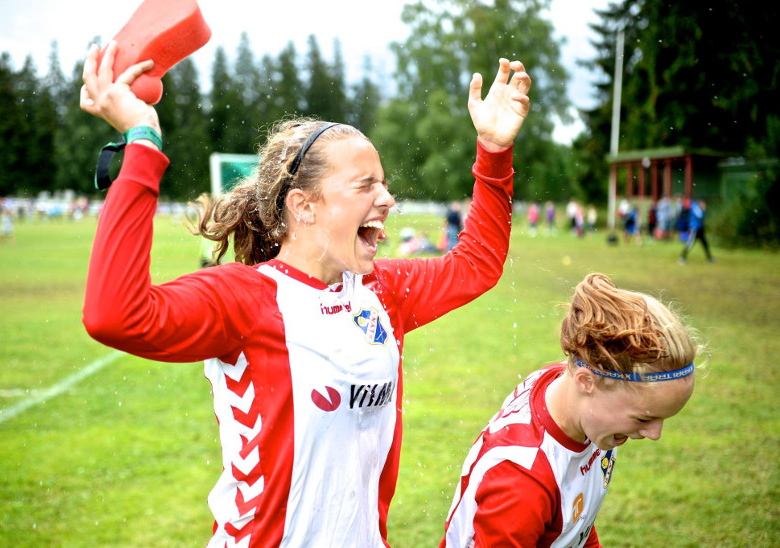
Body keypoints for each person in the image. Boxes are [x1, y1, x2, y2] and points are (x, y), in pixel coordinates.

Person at [80, 41, 531, 547]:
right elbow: (114, 316)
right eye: (365, 186)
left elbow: (476, 265)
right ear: (305, 207)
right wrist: (142, 145)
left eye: (383, 184)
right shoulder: (244, 299)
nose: (387, 198)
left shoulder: (384, 293)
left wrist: (493, 152)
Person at [441, 273, 699, 548]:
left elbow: (573, 522)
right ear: (586, 382)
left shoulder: (577, 402)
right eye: (643, 418)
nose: (655, 433)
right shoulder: (521, 483)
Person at [679, 198, 714, 264]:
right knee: (689, 244)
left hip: (699, 229)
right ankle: (682, 257)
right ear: (700, 202)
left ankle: (709, 258)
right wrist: (703, 209)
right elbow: (700, 215)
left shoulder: (696, 206)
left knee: (705, 244)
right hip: (694, 229)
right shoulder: (695, 207)